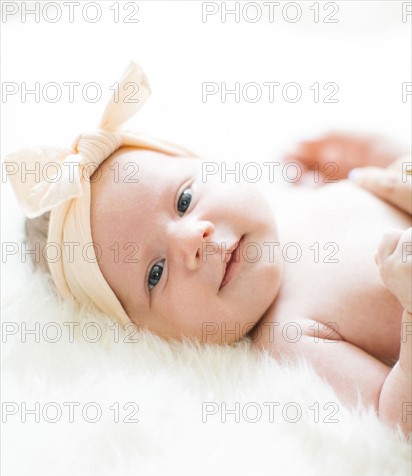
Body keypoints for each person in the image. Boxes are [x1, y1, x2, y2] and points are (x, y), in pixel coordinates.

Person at [6, 62, 411, 436]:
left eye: (184, 201)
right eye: (156, 273)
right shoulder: (288, 336)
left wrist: (377, 153)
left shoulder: (307, 198)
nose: (192, 241)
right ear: (154, 336)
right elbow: (394, 416)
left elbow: (391, 184)